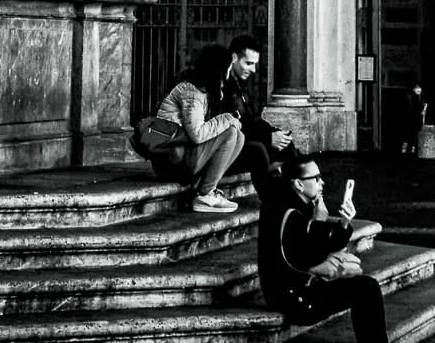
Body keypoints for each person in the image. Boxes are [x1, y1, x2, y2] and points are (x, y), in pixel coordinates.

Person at [257, 156, 387, 343]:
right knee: (367, 289)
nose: (322, 182)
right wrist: (322, 220)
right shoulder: (292, 215)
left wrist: (343, 223)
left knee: (361, 283)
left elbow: (317, 245)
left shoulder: (283, 204)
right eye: (316, 178)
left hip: (288, 291)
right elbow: (313, 255)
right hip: (296, 299)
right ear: (299, 185)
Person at [135, 52, 245, 213]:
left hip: (182, 156)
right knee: (230, 133)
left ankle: (208, 188)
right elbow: (197, 134)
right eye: (227, 70)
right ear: (218, 72)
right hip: (171, 162)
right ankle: (205, 194)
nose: (228, 76)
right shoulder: (191, 93)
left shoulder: (204, 91)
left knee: (238, 135)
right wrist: (227, 118)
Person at [214, 36, 296, 194]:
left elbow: (252, 119)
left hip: (244, 140)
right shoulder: (222, 84)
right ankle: (271, 203)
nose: (253, 70)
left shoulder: (240, 83)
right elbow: (231, 125)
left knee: (287, 146)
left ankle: (293, 196)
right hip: (226, 148)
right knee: (257, 150)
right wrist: (267, 137)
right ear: (234, 58)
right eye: (248, 63)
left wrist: (274, 132)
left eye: (255, 64)